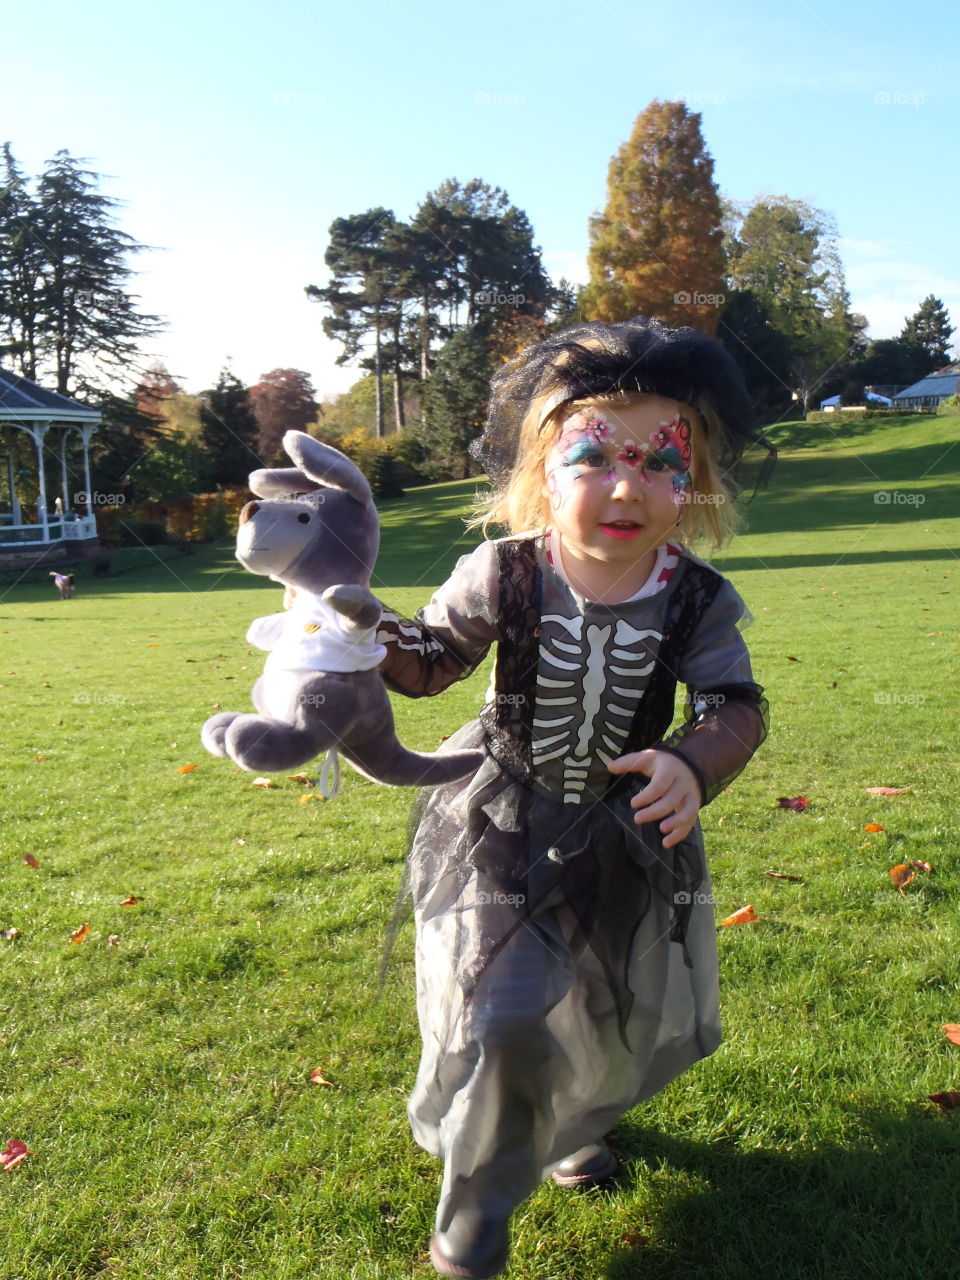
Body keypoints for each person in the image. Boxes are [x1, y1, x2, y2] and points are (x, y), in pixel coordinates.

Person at [375, 317, 772, 1279]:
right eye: (593, 456)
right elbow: (430, 665)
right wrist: (360, 628)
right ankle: (476, 1210)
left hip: (625, 839)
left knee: (599, 1007)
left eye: (660, 462)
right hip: (500, 825)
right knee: (505, 1014)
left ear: (695, 481)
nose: (627, 486)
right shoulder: (504, 573)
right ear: (541, 473)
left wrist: (692, 759)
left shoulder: (697, 599)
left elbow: (735, 704)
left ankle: (572, 1127)